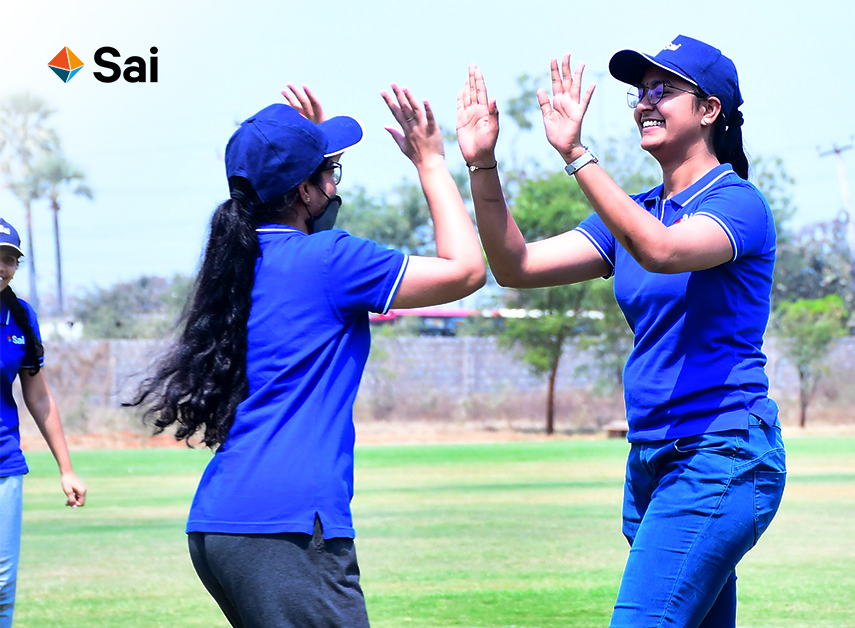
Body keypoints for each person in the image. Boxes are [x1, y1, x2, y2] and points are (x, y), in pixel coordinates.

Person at [456, 34, 786, 627]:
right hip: (653, 458)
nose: (645, 101)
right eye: (640, 91)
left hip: (718, 454)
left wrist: (577, 155)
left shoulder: (739, 204)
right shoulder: (635, 211)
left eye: (665, 88)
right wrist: (482, 163)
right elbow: (515, 267)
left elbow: (660, 251)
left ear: (710, 110)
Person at [128, 84, 485, 627]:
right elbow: (466, 270)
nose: (334, 182)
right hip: (286, 527)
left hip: (221, 523)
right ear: (302, 190)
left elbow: (309, 261)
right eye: (330, 172)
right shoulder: (330, 261)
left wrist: (303, 151)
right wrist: (432, 163)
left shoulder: (239, 266)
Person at [0, 217, 87, 628]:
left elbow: (38, 395)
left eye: (9, 259)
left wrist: (66, 469)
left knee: (2, 584)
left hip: (4, 464)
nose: (1, 266)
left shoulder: (21, 317)